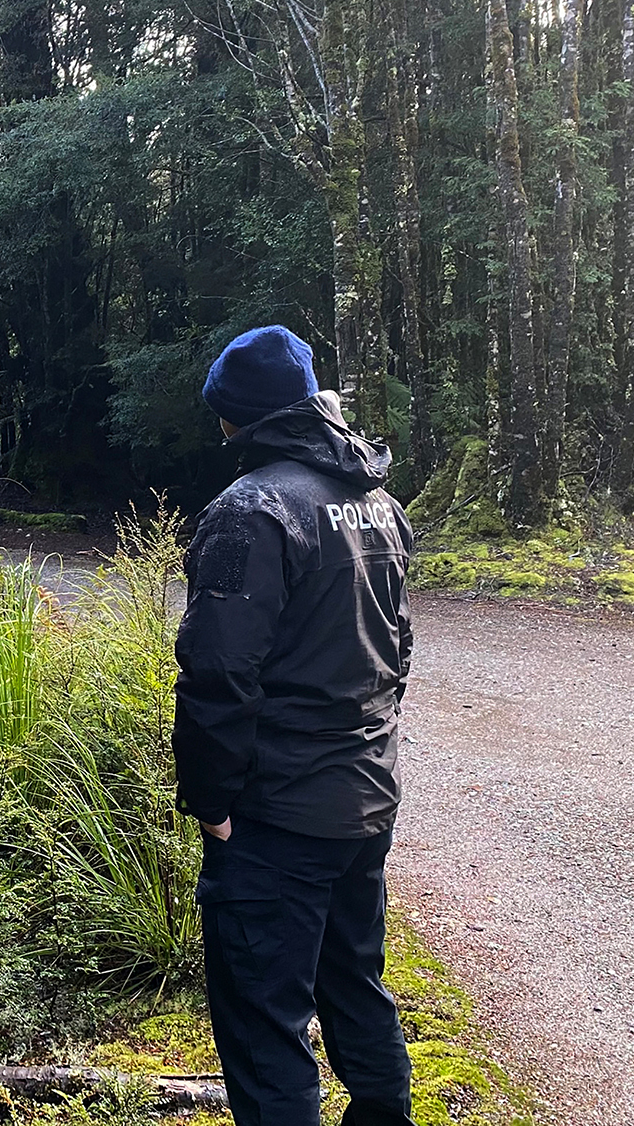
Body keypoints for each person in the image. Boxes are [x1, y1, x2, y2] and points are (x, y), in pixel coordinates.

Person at [172, 325, 417, 1126]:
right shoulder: (378, 503)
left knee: (265, 1026)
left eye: (223, 418)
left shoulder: (250, 510)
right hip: (363, 800)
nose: (220, 433)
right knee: (356, 985)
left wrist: (210, 801)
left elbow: (217, 672)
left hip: (274, 819)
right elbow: (397, 648)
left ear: (239, 419)